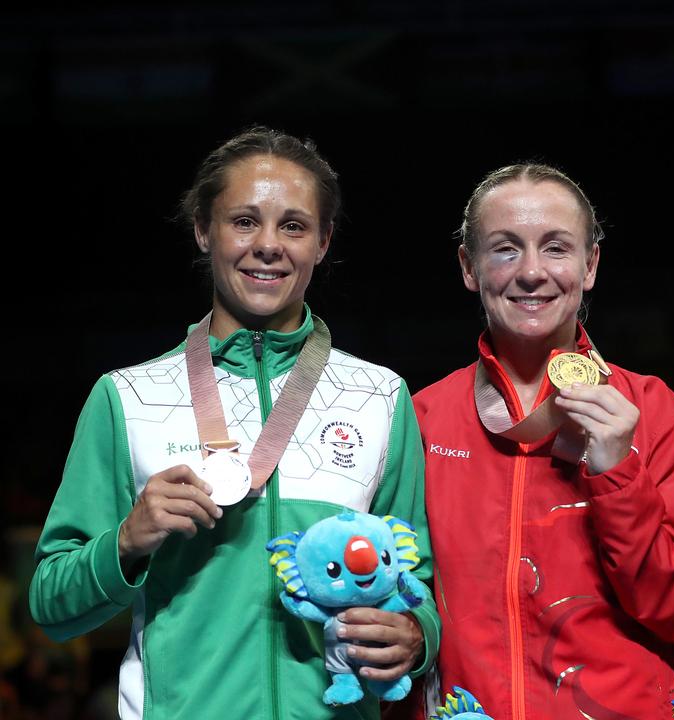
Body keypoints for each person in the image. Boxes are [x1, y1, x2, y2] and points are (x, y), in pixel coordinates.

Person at [29, 127, 440, 719]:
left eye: (293, 226)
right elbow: (50, 604)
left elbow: (416, 580)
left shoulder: (378, 397)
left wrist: (416, 635)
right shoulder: (128, 397)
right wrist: (127, 541)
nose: (268, 245)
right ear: (203, 230)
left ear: (323, 242)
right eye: (244, 221)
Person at [412, 163, 674, 719]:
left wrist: (618, 474)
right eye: (506, 249)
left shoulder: (653, 412)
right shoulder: (423, 419)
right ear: (468, 267)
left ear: (590, 263)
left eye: (556, 248)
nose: (532, 272)